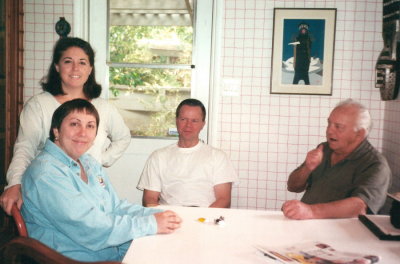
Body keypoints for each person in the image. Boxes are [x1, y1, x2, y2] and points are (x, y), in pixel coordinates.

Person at [21, 99, 181, 262]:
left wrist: (157, 214)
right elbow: (89, 227)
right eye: (75, 124)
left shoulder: (88, 162)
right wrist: (151, 224)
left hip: (108, 251)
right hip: (76, 259)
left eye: (90, 126)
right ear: (56, 130)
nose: (83, 133)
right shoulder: (46, 174)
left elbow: (114, 207)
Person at [0, 37, 131, 215]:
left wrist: (100, 159)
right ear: (57, 67)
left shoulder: (103, 107)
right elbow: (25, 148)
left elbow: (123, 137)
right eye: (68, 61)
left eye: (82, 62)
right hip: (52, 191)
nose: (75, 68)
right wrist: (15, 183)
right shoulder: (39, 105)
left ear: (90, 69)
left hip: (90, 191)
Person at [282, 99, 391, 220]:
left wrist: (311, 211)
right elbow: (292, 186)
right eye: (329, 124)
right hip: (306, 224)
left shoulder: (375, 164)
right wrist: (307, 168)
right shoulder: (324, 149)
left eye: (338, 127)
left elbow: (359, 207)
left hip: (341, 234)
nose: (329, 130)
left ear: (359, 134)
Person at [137, 98, 238, 208]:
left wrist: (201, 219)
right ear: (176, 121)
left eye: (194, 121)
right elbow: (149, 199)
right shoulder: (158, 157)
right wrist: (165, 218)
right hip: (170, 217)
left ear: (203, 124)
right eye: (183, 119)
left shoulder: (218, 157)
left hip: (206, 218)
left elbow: (224, 200)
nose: (188, 125)